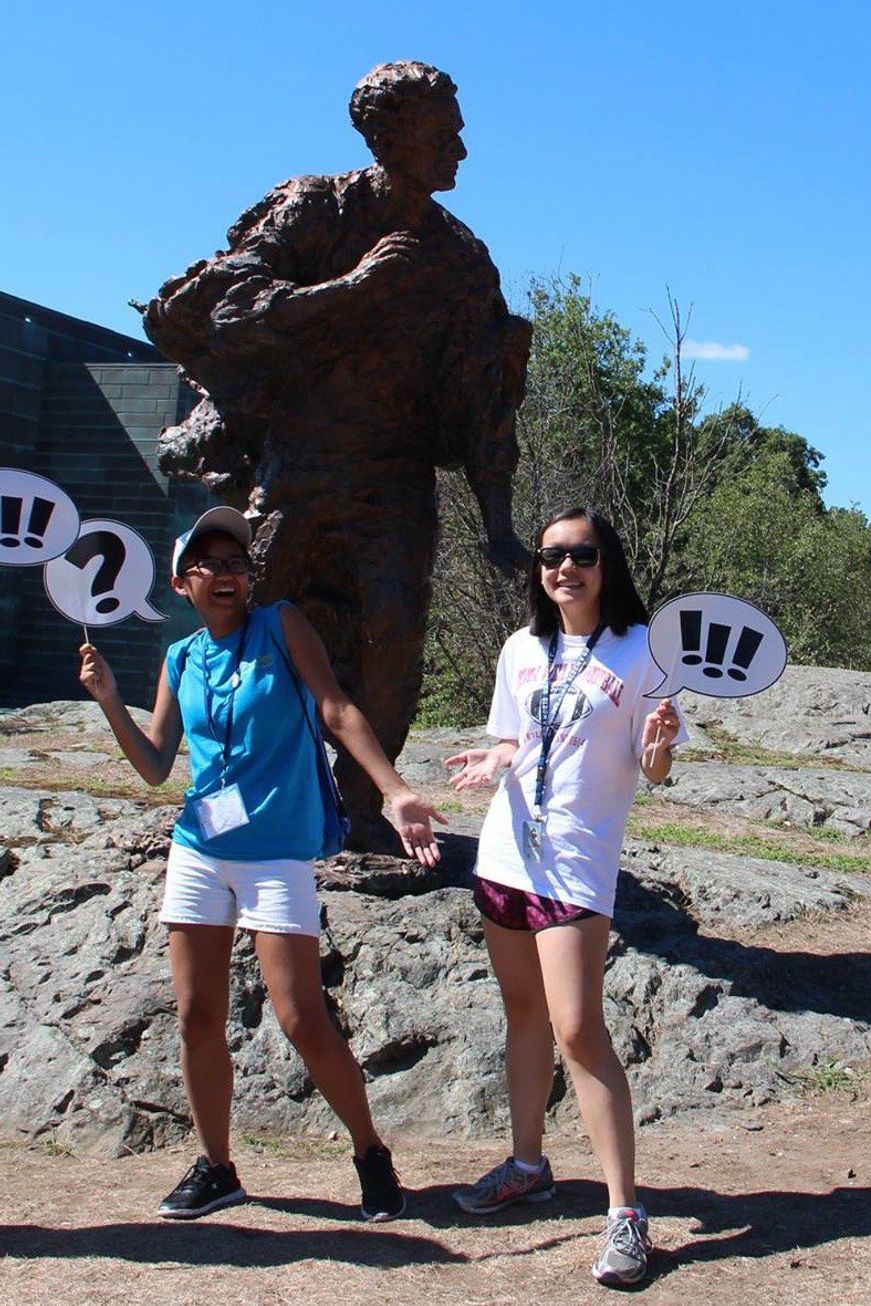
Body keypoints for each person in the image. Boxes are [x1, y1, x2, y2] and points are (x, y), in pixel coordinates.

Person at [142, 60, 531, 851]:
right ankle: (238, 793)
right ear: (387, 135)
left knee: (393, 631)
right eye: (443, 133)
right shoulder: (316, 207)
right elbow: (229, 305)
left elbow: (484, 398)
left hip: (394, 481)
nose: (460, 149)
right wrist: (353, 289)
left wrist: (498, 523)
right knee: (254, 627)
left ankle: (363, 808)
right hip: (296, 468)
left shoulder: (459, 259)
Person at [79, 506, 445, 1221]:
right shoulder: (181, 658)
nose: (226, 574)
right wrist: (108, 701)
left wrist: (394, 791)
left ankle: (370, 1153)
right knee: (196, 1015)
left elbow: (336, 709)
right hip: (199, 850)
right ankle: (217, 1167)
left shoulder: (281, 625)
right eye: (209, 565)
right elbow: (155, 765)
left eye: (236, 563)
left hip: (276, 852)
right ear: (182, 584)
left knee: (301, 1014)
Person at [445, 507, 681, 1288]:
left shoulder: (642, 651)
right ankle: (527, 1166)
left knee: (578, 1030)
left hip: (577, 868)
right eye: (550, 556)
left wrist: (659, 750)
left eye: (580, 554)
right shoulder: (522, 647)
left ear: (607, 562)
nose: (563, 568)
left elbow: (655, 768)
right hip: (505, 857)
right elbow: (514, 739)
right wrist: (495, 759)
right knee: (524, 1015)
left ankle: (626, 1214)